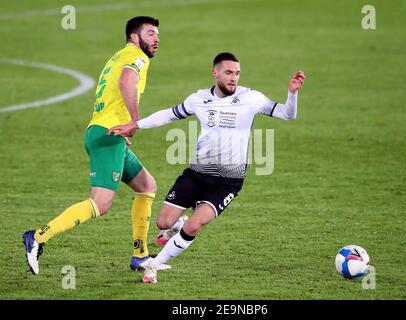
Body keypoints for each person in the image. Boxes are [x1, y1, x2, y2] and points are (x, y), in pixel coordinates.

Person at [107, 52, 305, 283]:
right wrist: (136, 124)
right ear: (215, 73)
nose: (234, 78)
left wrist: (292, 93)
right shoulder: (199, 99)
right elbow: (169, 115)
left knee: (194, 225)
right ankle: (175, 227)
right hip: (197, 174)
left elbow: (287, 114)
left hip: (227, 181)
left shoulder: (250, 98)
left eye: (237, 73)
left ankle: (154, 265)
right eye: (229, 72)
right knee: (163, 223)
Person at [22, 16, 170, 275]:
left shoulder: (118, 56)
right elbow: (127, 82)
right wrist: (134, 121)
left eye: (157, 34)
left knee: (147, 186)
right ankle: (38, 236)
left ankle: (140, 255)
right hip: (109, 134)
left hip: (106, 132)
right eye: (150, 34)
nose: (156, 39)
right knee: (100, 204)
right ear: (134, 37)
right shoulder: (137, 57)